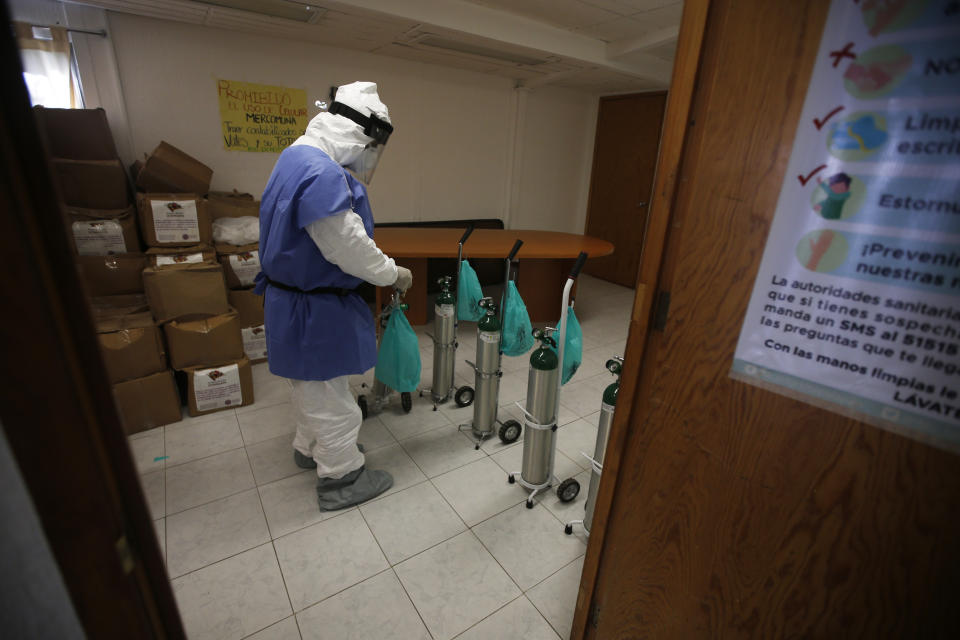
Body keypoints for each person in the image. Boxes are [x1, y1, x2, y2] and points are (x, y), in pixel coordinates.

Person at [255, 82, 413, 510]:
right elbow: (347, 246)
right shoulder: (322, 173)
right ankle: (342, 479)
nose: (368, 157)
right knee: (333, 402)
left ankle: (308, 449)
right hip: (312, 305)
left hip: (290, 302)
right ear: (357, 133)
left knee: (310, 387)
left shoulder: (293, 158)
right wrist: (392, 273)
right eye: (370, 146)